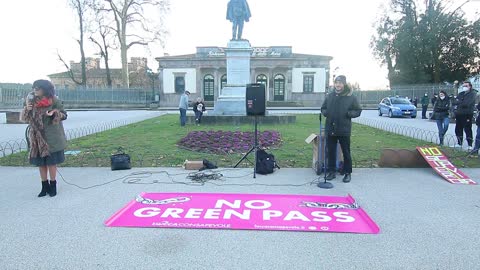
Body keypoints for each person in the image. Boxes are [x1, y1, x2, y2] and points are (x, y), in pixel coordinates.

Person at [21, 80, 67, 197]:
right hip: (37, 137)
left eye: (38, 88)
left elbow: (64, 114)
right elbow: (25, 118)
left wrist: (54, 113)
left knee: (51, 163)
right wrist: (27, 108)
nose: (35, 90)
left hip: (52, 136)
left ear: (45, 89)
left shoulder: (54, 100)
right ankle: (44, 186)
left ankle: (53, 185)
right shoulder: (30, 100)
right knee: (41, 164)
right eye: (34, 88)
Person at [320, 75, 362, 183]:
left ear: (344, 84)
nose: (338, 85)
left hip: (344, 129)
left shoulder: (351, 96)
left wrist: (349, 114)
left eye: (340, 83)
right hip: (331, 128)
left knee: (346, 152)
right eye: (336, 83)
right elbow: (323, 108)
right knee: (331, 151)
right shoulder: (330, 96)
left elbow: (358, 110)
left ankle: (347, 173)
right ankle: (331, 171)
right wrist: (326, 113)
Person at [452, 81, 476, 149]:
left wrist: (459, 102)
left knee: (467, 129)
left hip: (467, 114)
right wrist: (459, 102)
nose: (464, 87)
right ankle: (459, 143)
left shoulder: (472, 94)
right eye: (463, 86)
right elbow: (454, 102)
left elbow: (467, 104)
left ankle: (470, 145)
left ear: (470, 86)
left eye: (466, 86)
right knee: (458, 129)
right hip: (459, 113)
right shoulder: (461, 93)